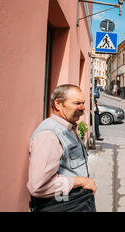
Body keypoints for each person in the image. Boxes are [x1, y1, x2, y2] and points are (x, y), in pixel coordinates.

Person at [27, 84, 97, 212]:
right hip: (63, 205)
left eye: (83, 103)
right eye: (77, 103)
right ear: (58, 104)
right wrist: (81, 181)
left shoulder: (68, 127)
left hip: (76, 202)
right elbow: (38, 186)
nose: (83, 108)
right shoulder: (49, 134)